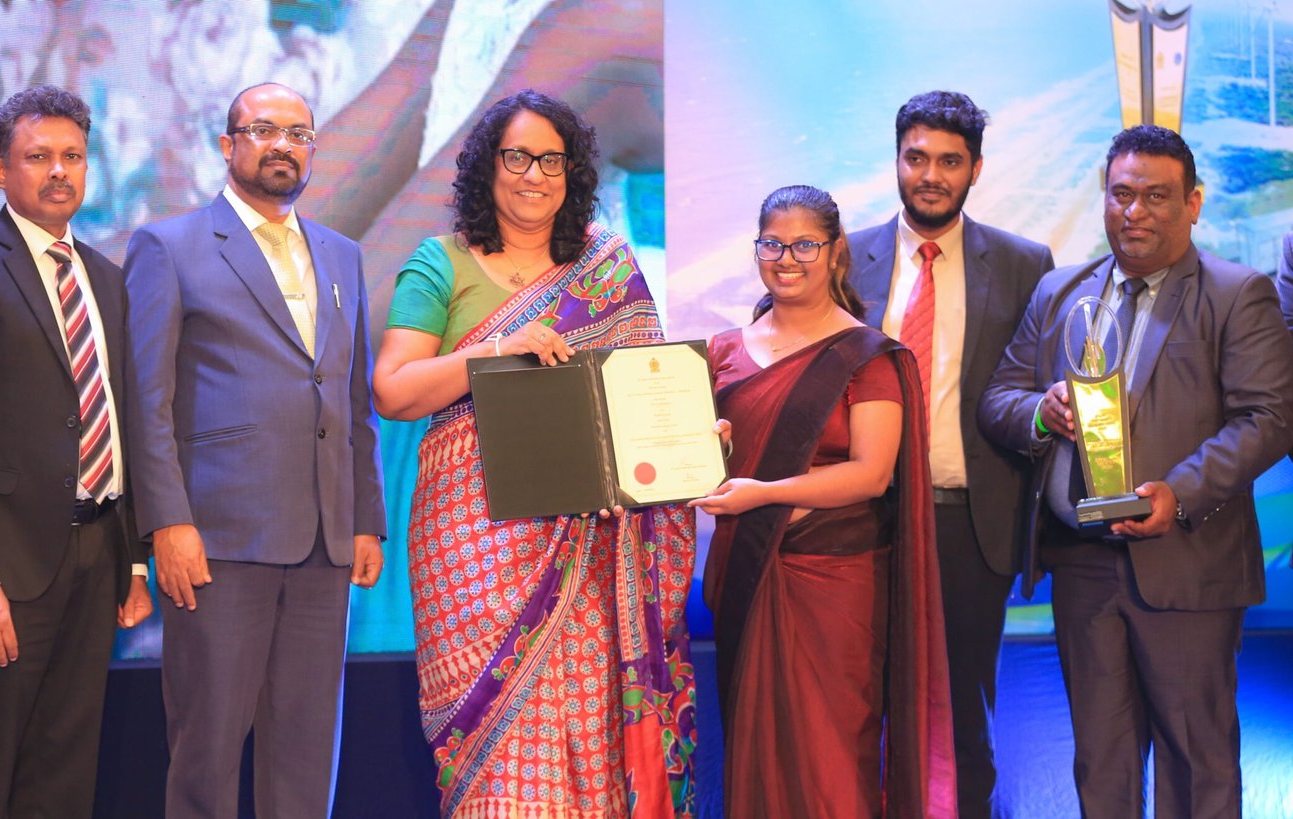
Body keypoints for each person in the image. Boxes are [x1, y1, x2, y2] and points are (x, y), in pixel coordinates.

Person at [372, 89, 698, 818]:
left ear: (572, 172)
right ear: (488, 167)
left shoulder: (607, 267)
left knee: (590, 746)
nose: (534, 175)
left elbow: (640, 397)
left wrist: (691, 440)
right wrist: (498, 350)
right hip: (473, 542)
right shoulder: (440, 263)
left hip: (594, 543)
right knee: (498, 751)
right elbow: (393, 390)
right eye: (517, 157)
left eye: (552, 160)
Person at [980, 125, 1293, 818]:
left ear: (1193, 203)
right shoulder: (1060, 291)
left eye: (1156, 195)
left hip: (1186, 560)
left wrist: (1178, 493)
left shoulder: (1237, 292)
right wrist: (1041, 411)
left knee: (1196, 762)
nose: (1135, 211)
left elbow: (1268, 419)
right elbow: (998, 399)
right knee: (1101, 762)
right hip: (1082, 563)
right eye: (1122, 194)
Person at [122, 82, 385, 818]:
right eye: (264, 129)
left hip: (325, 542)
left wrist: (366, 518)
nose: (282, 146)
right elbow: (146, 400)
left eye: (298, 134)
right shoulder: (168, 246)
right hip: (218, 539)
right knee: (205, 753)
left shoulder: (341, 254)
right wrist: (166, 522)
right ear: (227, 144)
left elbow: (351, 398)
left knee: (306, 754)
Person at [0, 85, 152, 818]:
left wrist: (134, 560)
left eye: (72, 156)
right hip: (0, 565)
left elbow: (122, 420)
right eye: (38, 156)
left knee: (65, 768)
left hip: (95, 554)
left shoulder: (107, 278)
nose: (59, 171)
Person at [693, 185, 955, 818]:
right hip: (746, 576)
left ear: (836, 252)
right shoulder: (722, 351)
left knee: (833, 759)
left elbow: (870, 474)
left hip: (838, 587)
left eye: (805, 245)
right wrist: (710, 451)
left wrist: (766, 493)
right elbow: (708, 471)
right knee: (757, 755)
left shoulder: (868, 356)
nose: (787, 259)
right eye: (773, 244)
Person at [846, 90, 1054, 817]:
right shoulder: (845, 256)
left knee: (962, 705)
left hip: (970, 520)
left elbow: (1034, 388)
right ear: (897, 160)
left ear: (976, 169)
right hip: (861, 515)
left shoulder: (1026, 264)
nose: (930, 175)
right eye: (917, 158)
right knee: (860, 697)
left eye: (949, 161)